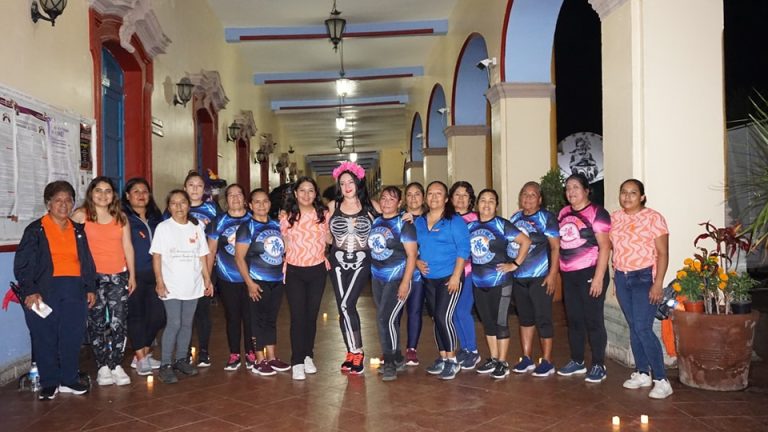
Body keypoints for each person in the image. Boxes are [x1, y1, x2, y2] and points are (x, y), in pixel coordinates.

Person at [15, 181, 96, 400]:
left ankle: (69, 379)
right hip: (44, 290)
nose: (64, 204)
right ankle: (49, 382)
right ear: (48, 203)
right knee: (45, 336)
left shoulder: (78, 230)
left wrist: (90, 287)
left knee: (72, 335)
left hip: (74, 289)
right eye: (58, 200)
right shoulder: (35, 230)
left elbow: (86, 261)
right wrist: (30, 290)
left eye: (68, 199)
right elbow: (23, 264)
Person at [610, 179, 672, 399]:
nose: (627, 197)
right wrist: (615, 278)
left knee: (643, 328)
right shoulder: (615, 218)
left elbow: (663, 253)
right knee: (633, 326)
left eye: (633, 193)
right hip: (622, 277)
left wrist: (658, 283)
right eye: (624, 192)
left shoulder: (654, 218)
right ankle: (642, 372)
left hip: (644, 277)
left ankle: (662, 379)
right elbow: (614, 251)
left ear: (642, 196)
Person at [71, 177, 136, 387]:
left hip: (118, 275)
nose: (103, 195)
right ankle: (102, 366)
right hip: (93, 278)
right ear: (91, 193)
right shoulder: (81, 216)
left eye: (108, 191)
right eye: (98, 190)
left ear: (113, 195)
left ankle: (116, 363)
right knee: (97, 322)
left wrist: (132, 275)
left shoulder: (121, 217)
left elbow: (128, 247)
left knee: (119, 322)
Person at [151, 189, 213, 384]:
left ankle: (181, 360)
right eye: (174, 203)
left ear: (189, 205)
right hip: (171, 285)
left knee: (187, 324)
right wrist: (159, 281)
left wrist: (207, 279)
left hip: (192, 284)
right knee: (174, 323)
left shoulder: (196, 228)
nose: (179, 207)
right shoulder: (163, 227)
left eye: (182, 202)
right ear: (168, 207)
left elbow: (202, 255)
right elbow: (157, 256)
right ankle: (165, 364)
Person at [469, 189, 531, 379]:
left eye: (491, 201)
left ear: (496, 205)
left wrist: (514, 264)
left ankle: (503, 361)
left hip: (500, 282)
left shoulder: (502, 224)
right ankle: (494, 358)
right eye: (483, 200)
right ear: (477, 204)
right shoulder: (470, 226)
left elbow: (525, 242)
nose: (486, 205)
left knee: (501, 322)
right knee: (487, 322)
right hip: (478, 282)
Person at [556, 173, 612, 383]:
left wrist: (598, 278)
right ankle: (577, 360)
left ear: (587, 190)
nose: (571, 192)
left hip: (591, 272)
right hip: (569, 275)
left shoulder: (597, 212)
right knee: (574, 319)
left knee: (593, 320)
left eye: (575, 187)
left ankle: (598, 364)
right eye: (568, 188)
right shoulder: (563, 213)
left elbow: (605, 246)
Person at [415, 181, 470, 380]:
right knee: (435, 318)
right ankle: (443, 357)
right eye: (430, 193)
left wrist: (456, 276)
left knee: (443, 316)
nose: (434, 197)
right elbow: (415, 247)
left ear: (446, 199)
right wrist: (417, 262)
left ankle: (452, 361)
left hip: (450, 277)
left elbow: (464, 249)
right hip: (429, 278)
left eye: (439, 194)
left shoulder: (454, 221)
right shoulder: (419, 222)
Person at [327, 161, 378, 375]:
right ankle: (350, 351)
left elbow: (388, 226)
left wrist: (408, 217)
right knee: (343, 308)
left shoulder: (371, 207)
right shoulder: (332, 206)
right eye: (342, 183)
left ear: (358, 183)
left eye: (350, 182)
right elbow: (324, 234)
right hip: (337, 260)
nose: (347, 186)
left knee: (348, 305)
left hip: (361, 260)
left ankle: (358, 350)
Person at [235, 188, 291, 376]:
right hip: (257, 281)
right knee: (257, 320)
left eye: (265, 201)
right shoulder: (246, 227)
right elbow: (239, 258)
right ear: (250, 205)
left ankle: (272, 357)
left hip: (276, 280)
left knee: (271, 320)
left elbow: (286, 248)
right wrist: (249, 283)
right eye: (257, 202)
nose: (261, 205)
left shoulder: (276, 225)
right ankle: (259, 359)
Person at [508, 182, 561, 377]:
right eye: (524, 194)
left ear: (540, 199)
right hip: (518, 277)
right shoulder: (514, 218)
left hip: (540, 276)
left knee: (543, 318)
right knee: (525, 318)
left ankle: (547, 360)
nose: (528, 198)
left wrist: (553, 274)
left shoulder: (546, 218)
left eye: (532, 195)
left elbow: (555, 247)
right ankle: (527, 358)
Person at [280, 177, 329, 380]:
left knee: (311, 316)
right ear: (295, 193)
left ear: (315, 193)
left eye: (310, 191)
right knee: (298, 316)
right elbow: (283, 243)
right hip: (295, 272)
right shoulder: (286, 216)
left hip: (317, 270)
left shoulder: (323, 214)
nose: (306, 194)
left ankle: (308, 355)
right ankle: (297, 360)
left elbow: (330, 239)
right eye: (302, 190)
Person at [368, 186, 418, 381]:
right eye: (383, 198)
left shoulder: (405, 224)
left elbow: (412, 255)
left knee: (384, 319)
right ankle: (397, 357)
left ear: (399, 203)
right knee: (388, 319)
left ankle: (388, 361)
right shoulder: (377, 221)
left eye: (392, 199)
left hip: (397, 278)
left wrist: (405, 282)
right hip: (377, 278)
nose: (386, 201)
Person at [206, 184, 254, 371]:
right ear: (226, 200)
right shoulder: (218, 221)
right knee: (233, 316)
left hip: (252, 277)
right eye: (231, 195)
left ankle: (251, 351)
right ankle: (234, 353)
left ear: (244, 198)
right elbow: (210, 250)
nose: (235, 198)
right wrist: (208, 277)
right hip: (227, 277)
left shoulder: (253, 219)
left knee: (251, 316)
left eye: (239, 194)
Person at [122, 177, 165, 376]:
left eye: (145, 191)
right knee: (137, 315)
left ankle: (143, 353)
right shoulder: (123, 218)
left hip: (156, 273)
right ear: (127, 196)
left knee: (159, 316)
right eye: (136, 192)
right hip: (133, 274)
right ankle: (140, 358)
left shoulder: (157, 218)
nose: (141, 195)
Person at [181, 171, 220, 367]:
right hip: (181, 267)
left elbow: (218, 235)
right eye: (191, 185)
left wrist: (210, 269)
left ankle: (204, 351)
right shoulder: (177, 207)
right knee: (184, 312)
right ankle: (184, 351)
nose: (195, 189)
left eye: (199, 186)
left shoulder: (212, 209)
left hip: (205, 265)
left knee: (203, 311)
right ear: (184, 188)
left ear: (204, 190)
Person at [449, 181, 480, 369]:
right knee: (452, 314)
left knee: (462, 310)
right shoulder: (447, 218)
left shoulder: (476, 219)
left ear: (470, 199)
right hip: (450, 272)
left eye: (465, 196)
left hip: (469, 272)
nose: (460, 199)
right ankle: (465, 348)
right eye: (457, 195)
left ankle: (473, 350)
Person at [403, 182, 427, 366]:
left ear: (423, 197)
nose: (413, 198)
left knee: (415, 309)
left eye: (417, 194)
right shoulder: (399, 218)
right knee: (393, 313)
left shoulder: (430, 218)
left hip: (420, 273)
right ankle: (391, 348)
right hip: (399, 271)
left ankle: (412, 348)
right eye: (409, 194)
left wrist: (418, 259)